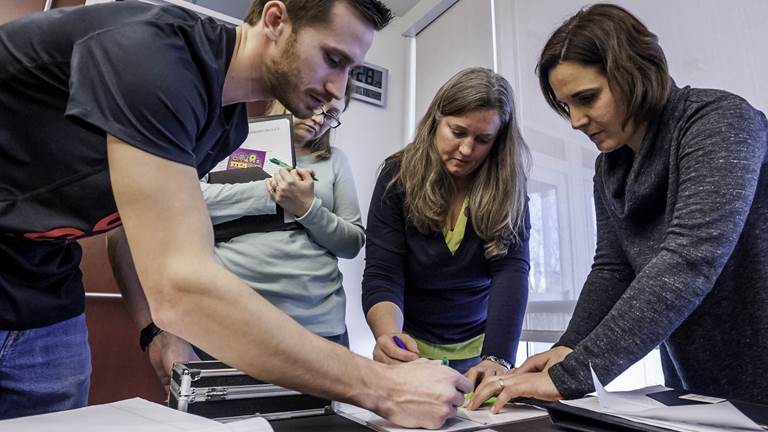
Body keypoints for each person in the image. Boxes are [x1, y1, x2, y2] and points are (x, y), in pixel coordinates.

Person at [0, 1, 472, 427]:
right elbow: (181, 284)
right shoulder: (156, 54)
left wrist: (156, 331)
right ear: (275, 20)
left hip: (43, 295)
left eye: (351, 69)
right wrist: (381, 387)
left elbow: (127, 226)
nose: (337, 89)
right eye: (333, 59)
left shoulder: (224, 125)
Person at [466, 3, 768, 413]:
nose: (575, 120)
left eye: (587, 98)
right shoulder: (609, 167)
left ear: (635, 72)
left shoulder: (721, 122)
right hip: (699, 387)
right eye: (566, 105)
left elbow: (689, 261)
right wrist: (568, 348)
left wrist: (571, 376)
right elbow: (613, 269)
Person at [109, 87, 363, 385]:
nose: (320, 118)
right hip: (227, 323)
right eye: (319, 104)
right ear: (289, 94)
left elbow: (352, 242)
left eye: (332, 115)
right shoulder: (226, 144)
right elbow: (180, 204)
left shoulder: (334, 161)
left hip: (318, 324)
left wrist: (307, 208)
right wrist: (267, 194)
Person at [362, 67, 531, 386]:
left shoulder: (509, 186)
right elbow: (384, 273)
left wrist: (497, 358)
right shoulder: (397, 176)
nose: (467, 150)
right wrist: (391, 340)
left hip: (481, 348)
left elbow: (511, 271)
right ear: (436, 120)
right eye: (457, 132)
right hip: (412, 344)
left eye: (483, 140)